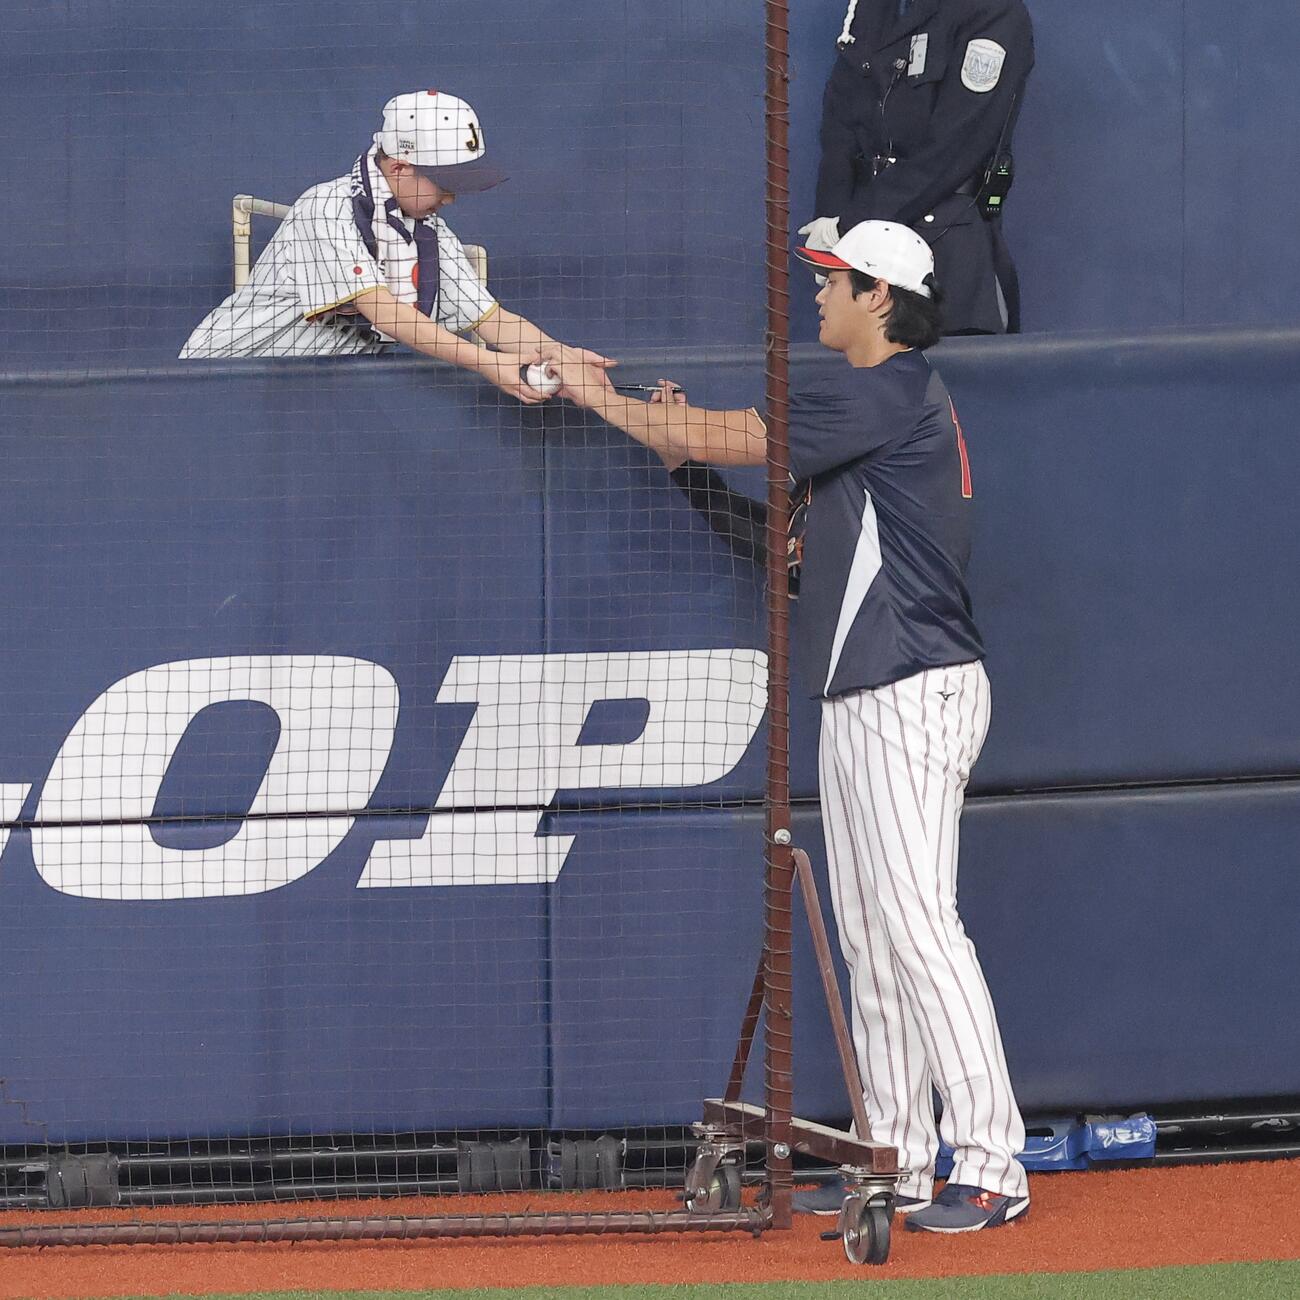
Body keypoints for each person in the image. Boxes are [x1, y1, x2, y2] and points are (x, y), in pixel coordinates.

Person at [551, 220, 1029, 1233]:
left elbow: (726, 434)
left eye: (832, 281)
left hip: (912, 686)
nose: (817, 295)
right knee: (867, 931)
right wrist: (679, 461)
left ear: (880, 299)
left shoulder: (880, 389)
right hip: (858, 693)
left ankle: (992, 1162)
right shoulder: (855, 435)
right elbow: (776, 549)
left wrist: (596, 394)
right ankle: (891, 1153)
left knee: (916, 924)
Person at [180, 91, 613, 405]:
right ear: (401, 166)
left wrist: (561, 356)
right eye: (444, 183)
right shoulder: (325, 207)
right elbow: (386, 313)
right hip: (219, 381)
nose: (452, 197)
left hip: (304, 392)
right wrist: (489, 364)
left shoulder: (427, 230)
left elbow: (492, 320)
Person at [800, 0, 1033, 335]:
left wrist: (850, 226)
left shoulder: (991, 11)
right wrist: (832, 223)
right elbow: (840, 128)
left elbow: (955, 147)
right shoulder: (872, 7)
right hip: (865, 257)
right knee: (866, 383)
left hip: (944, 252)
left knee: (948, 382)